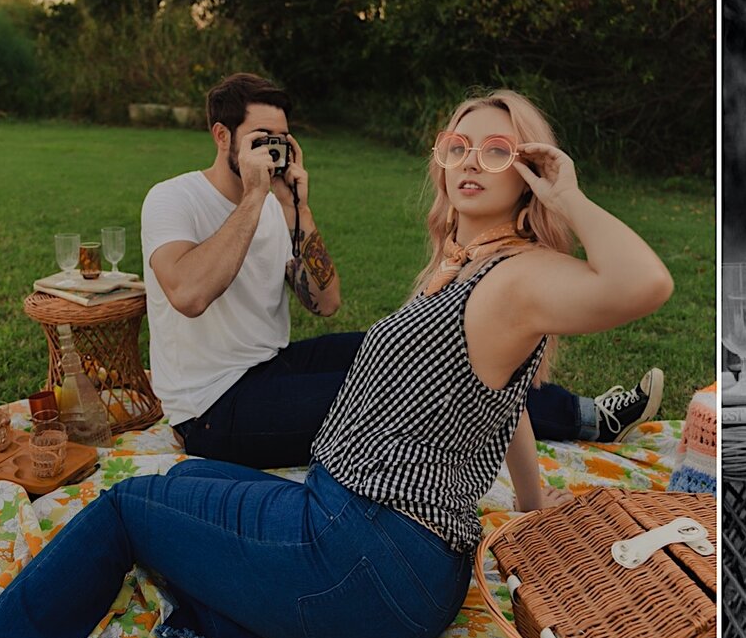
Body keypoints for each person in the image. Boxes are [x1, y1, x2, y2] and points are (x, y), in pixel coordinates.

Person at [0, 90, 676, 638]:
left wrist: (570, 198)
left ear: (528, 171)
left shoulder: (516, 275)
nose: (471, 163)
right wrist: (533, 500)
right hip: (401, 566)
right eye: (458, 147)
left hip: (362, 554)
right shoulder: (464, 262)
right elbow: (501, 395)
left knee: (123, 510)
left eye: (497, 151)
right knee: (179, 487)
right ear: (438, 159)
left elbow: (645, 284)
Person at [144, 73, 662, 469]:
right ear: (221, 135)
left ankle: (587, 415)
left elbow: (324, 303)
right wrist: (255, 197)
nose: (274, 150)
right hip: (213, 408)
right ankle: (587, 419)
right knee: (405, 385)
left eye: (282, 138)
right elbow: (188, 294)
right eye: (261, 138)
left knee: (414, 353)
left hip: (272, 364)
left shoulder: (278, 207)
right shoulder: (172, 199)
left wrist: (296, 208)